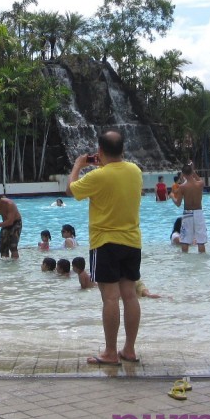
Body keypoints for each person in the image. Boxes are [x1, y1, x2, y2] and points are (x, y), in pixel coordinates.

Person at [67, 130, 143, 366]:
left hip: (105, 243)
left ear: (99, 152)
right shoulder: (136, 171)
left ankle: (110, 352)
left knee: (110, 298)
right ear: (123, 150)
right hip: (132, 241)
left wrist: (78, 166)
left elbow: (71, 190)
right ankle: (129, 350)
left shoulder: (97, 177)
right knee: (130, 296)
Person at [172, 161, 207, 253]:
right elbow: (198, 179)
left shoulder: (182, 187)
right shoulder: (200, 184)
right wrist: (193, 171)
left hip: (188, 213)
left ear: (183, 174)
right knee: (201, 241)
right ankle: (202, 262)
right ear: (192, 172)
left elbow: (178, 204)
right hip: (198, 212)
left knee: (185, 241)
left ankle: (186, 263)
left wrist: (172, 197)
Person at [0, 190, 22, 259]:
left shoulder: (9, 204)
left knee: (13, 245)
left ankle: (14, 265)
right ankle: (5, 266)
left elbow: (10, 222)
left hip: (15, 222)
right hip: (5, 223)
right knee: (3, 246)